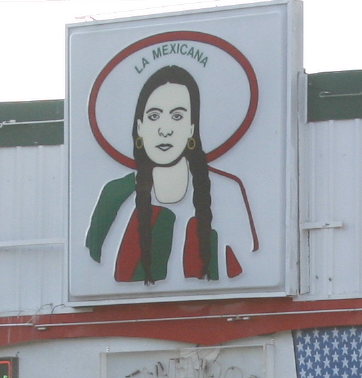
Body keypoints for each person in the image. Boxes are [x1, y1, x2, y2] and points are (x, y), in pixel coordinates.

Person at [85, 65, 257, 285]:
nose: (164, 130)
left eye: (177, 116)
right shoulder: (115, 195)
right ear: (140, 127)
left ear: (191, 128)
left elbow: (247, 270)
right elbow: (93, 266)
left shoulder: (227, 191)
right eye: (154, 116)